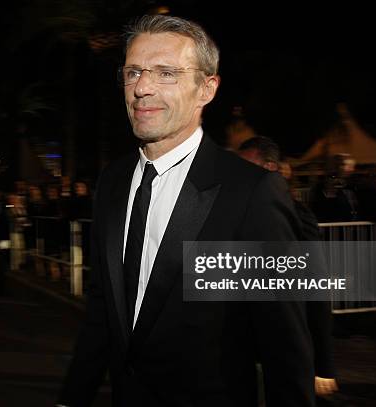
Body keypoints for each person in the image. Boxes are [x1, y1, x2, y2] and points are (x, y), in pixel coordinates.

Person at [58, 15, 314, 407]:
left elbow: (284, 343)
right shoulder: (111, 182)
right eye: (133, 72)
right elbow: (102, 310)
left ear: (206, 90)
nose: (142, 88)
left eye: (166, 73)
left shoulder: (252, 193)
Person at [238, 136, 339, 400]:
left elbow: (316, 286)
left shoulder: (296, 215)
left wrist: (323, 364)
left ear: (271, 168)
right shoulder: (231, 213)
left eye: (246, 167)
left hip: (283, 347)